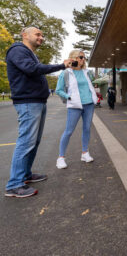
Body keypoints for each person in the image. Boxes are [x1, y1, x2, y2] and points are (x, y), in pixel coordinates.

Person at [5, 26, 72, 198]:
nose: (41, 37)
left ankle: (25, 175)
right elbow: (32, 70)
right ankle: (14, 185)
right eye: (38, 34)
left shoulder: (29, 53)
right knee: (26, 141)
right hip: (28, 102)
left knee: (33, 142)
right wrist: (61, 65)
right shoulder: (18, 50)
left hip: (37, 102)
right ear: (24, 34)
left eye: (42, 35)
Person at [55, 50, 98, 169]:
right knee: (69, 131)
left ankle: (85, 153)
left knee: (87, 129)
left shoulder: (87, 72)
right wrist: (70, 97)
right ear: (73, 58)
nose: (83, 60)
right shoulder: (66, 73)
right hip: (74, 105)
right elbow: (58, 90)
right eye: (80, 57)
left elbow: (90, 86)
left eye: (84, 58)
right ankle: (61, 158)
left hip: (89, 104)